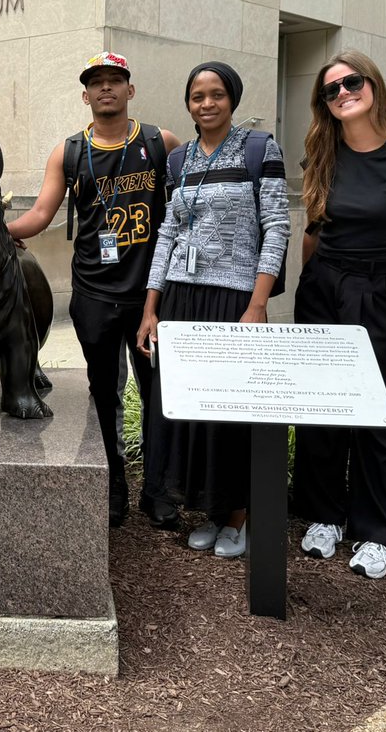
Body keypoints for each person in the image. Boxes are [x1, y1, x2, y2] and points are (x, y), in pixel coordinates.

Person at [6, 52, 179, 527]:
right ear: (85, 95)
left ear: (130, 89)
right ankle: (113, 484)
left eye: (115, 80)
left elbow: (188, 208)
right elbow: (42, 214)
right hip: (96, 293)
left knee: (158, 393)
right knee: (105, 391)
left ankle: (160, 489)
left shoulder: (159, 142)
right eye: (97, 82)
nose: (106, 88)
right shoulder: (68, 151)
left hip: (151, 295)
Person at [293, 50, 386, 580]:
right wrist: (305, 297)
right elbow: (314, 233)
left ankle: (376, 533)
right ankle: (324, 518)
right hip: (322, 292)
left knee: (377, 413)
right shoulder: (322, 152)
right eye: (330, 90)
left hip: (380, 295)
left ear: (372, 84)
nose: (342, 94)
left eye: (350, 82)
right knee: (320, 411)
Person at [137, 61, 290, 558]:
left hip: (234, 299)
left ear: (233, 99)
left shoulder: (258, 148)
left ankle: (239, 517)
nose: (207, 103)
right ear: (188, 103)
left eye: (217, 94)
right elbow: (168, 233)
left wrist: (258, 304)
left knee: (231, 411)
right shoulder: (178, 160)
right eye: (197, 95)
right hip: (182, 296)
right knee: (191, 411)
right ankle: (208, 511)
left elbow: (277, 228)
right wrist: (151, 307)